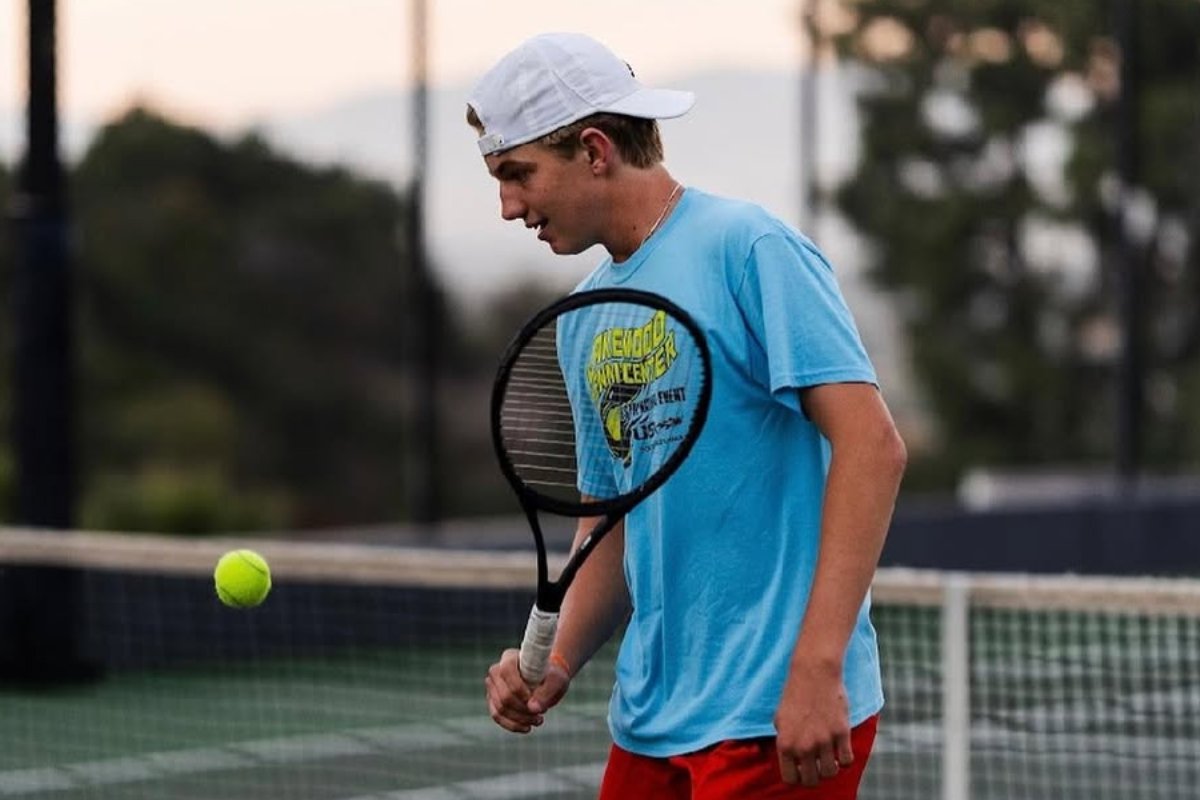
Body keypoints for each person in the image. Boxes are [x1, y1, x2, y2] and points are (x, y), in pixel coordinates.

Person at [471, 32, 906, 799]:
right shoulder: (581, 316)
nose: (509, 206)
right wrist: (556, 659)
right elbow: (608, 524)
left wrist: (816, 665)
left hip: (775, 716)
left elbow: (872, 445)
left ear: (596, 149)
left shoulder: (751, 248)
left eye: (517, 174)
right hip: (650, 721)